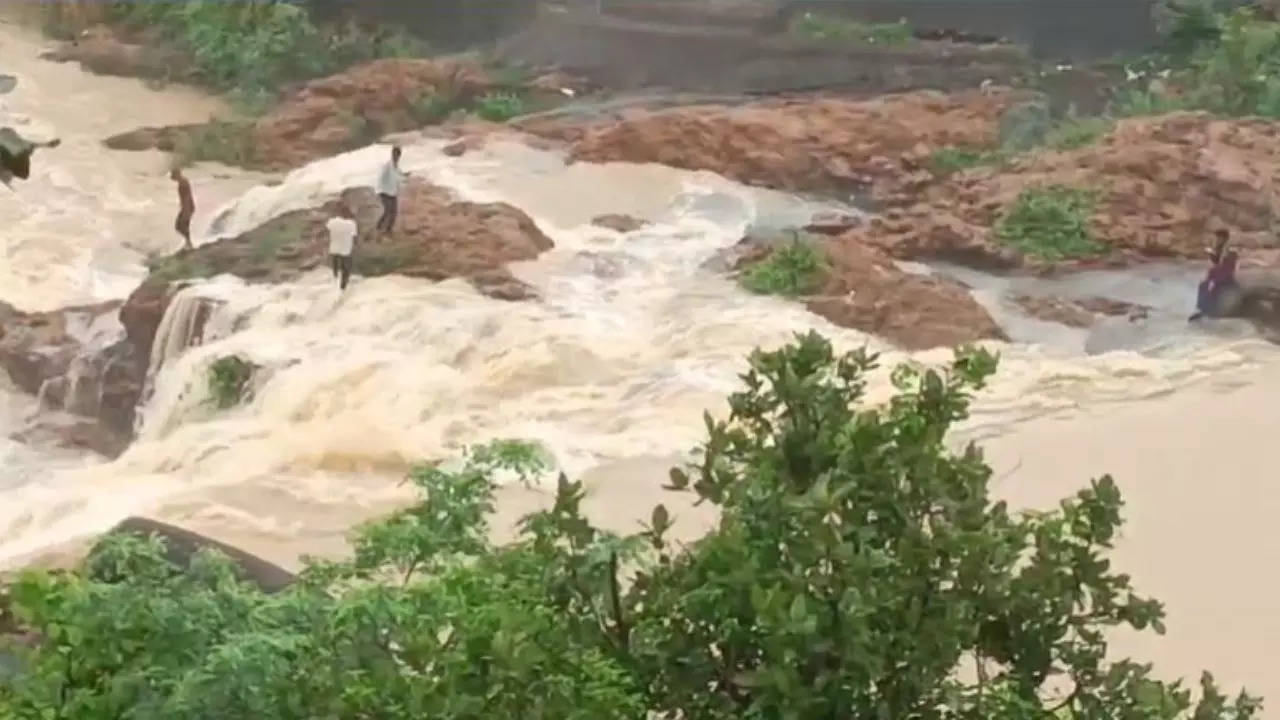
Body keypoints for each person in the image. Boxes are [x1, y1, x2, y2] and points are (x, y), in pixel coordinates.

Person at [1191, 229, 1239, 321]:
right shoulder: (1220, 248)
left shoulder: (1229, 250)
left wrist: (1213, 257)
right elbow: (1217, 261)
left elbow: (1226, 264)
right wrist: (1211, 255)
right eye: (1217, 238)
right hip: (1219, 274)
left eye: (1218, 238)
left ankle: (1209, 310)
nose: (1217, 240)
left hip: (1224, 275)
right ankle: (1203, 309)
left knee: (1210, 286)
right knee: (1203, 285)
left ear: (1224, 238)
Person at [326, 204, 358, 291]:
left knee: (335, 263)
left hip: (334, 247)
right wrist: (355, 246)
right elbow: (354, 237)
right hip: (346, 249)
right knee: (346, 268)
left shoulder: (332, 221)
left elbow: (327, 230)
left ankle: (335, 276)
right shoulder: (351, 223)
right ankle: (343, 285)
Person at [375, 145, 403, 237]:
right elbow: (380, 178)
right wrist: (378, 191)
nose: (396, 157)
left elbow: (398, 175)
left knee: (394, 212)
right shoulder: (387, 166)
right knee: (387, 211)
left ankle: (388, 230)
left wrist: (405, 175)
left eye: (397, 155)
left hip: (392, 192)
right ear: (392, 154)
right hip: (384, 192)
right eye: (394, 155)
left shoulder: (396, 166)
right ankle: (378, 227)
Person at [170, 168, 195, 251]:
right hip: (187, 207)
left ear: (177, 174)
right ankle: (188, 243)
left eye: (172, 175)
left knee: (180, 226)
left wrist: (186, 210)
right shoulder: (182, 182)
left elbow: (187, 197)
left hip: (187, 207)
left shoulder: (183, 183)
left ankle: (189, 243)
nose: (171, 177)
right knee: (181, 226)